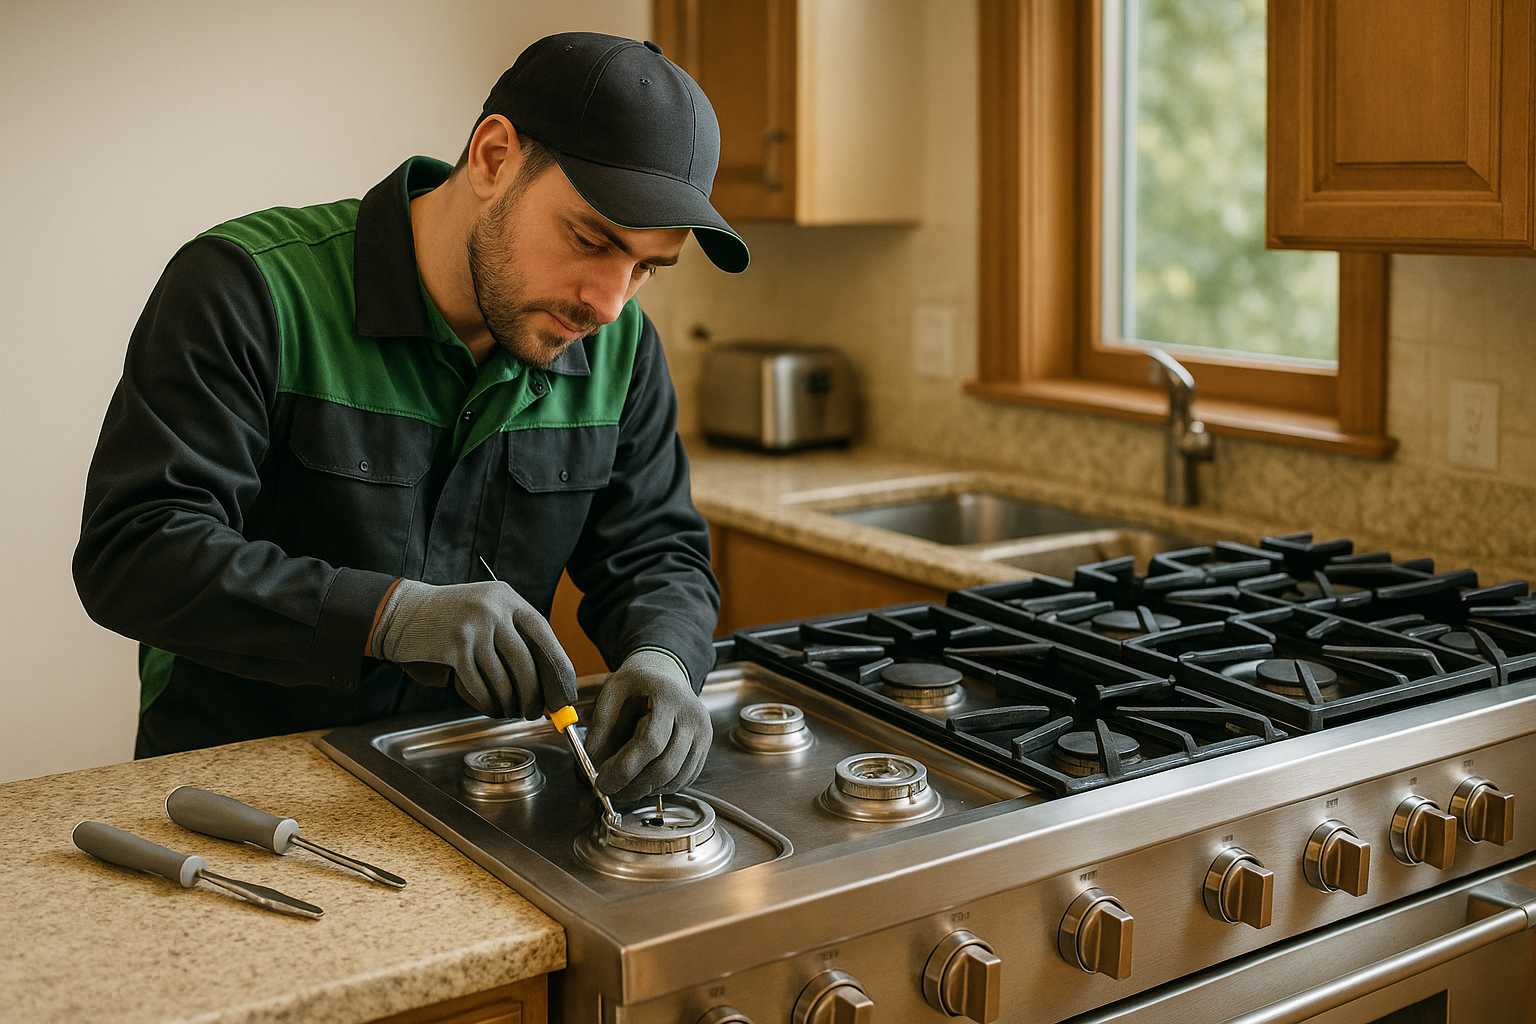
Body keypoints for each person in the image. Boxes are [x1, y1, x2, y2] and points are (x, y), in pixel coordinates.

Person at [72, 32, 748, 804]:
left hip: (475, 787)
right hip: (237, 788)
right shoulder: (246, 290)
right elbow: (133, 554)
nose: (607, 301)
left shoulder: (621, 349)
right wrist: (386, 616)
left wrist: (665, 658)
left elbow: (656, 550)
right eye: (591, 239)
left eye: (645, 269)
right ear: (494, 157)